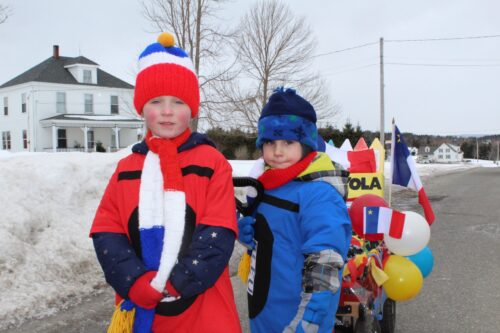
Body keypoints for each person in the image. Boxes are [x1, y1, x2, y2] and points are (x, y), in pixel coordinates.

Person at [89, 32, 241, 333]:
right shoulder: (126, 168)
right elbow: (107, 231)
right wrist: (133, 281)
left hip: (203, 311)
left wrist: (177, 281)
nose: (167, 111)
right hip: (140, 306)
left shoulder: (212, 164)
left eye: (178, 101)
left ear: (193, 108)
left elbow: (219, 230)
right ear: (141, 107)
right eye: (156, 101)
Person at [237, 87, 352, 333]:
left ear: (306, 144)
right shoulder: (269, 183)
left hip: (299, 320)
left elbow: (325, 266)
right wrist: (248, 234)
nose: (277, 152)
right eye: (270, 142)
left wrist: (306, 323)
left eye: (288, 142)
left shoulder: (319, 193)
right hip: (265, 313)